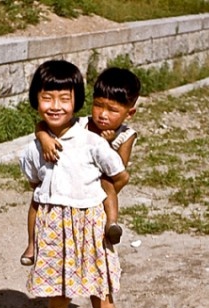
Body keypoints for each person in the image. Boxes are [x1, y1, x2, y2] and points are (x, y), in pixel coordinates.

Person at [19, 59, 130, 308]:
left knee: (102, 297)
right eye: (47, 98)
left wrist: (101, 201)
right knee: (57, 297)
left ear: (77, 101)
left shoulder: (92, 141)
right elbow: (34, 182)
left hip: (90, 226)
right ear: (36, 100)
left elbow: (120, 174)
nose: (55, 106)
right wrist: (42, 136)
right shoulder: (34, 147)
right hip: (54, 228)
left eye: (64, 99)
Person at [20, 67, 140, 266]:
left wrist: (107, 145)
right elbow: (42, 125)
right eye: (98, 106)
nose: (103, 115)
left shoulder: (127, 136)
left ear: (130, 113)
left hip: (99, 182)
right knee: (38, 198)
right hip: (71, 176)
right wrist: (44, 138)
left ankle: (112, 224)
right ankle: (32, 244)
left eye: (112, 110)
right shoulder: (83, 123)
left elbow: (119, 168)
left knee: (106, 184)